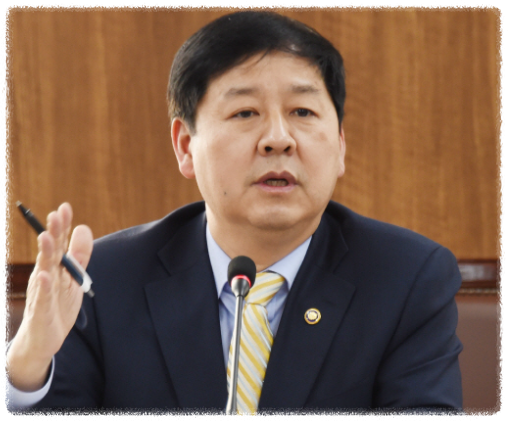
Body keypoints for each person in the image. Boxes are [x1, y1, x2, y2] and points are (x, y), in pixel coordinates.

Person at [6, 11, 463, 412]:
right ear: (186, 146)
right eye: (245, 113)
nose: (278, 139)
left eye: (303, 112)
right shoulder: (102, 281)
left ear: (340, 145)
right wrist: (27, 371)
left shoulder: (405, 279)